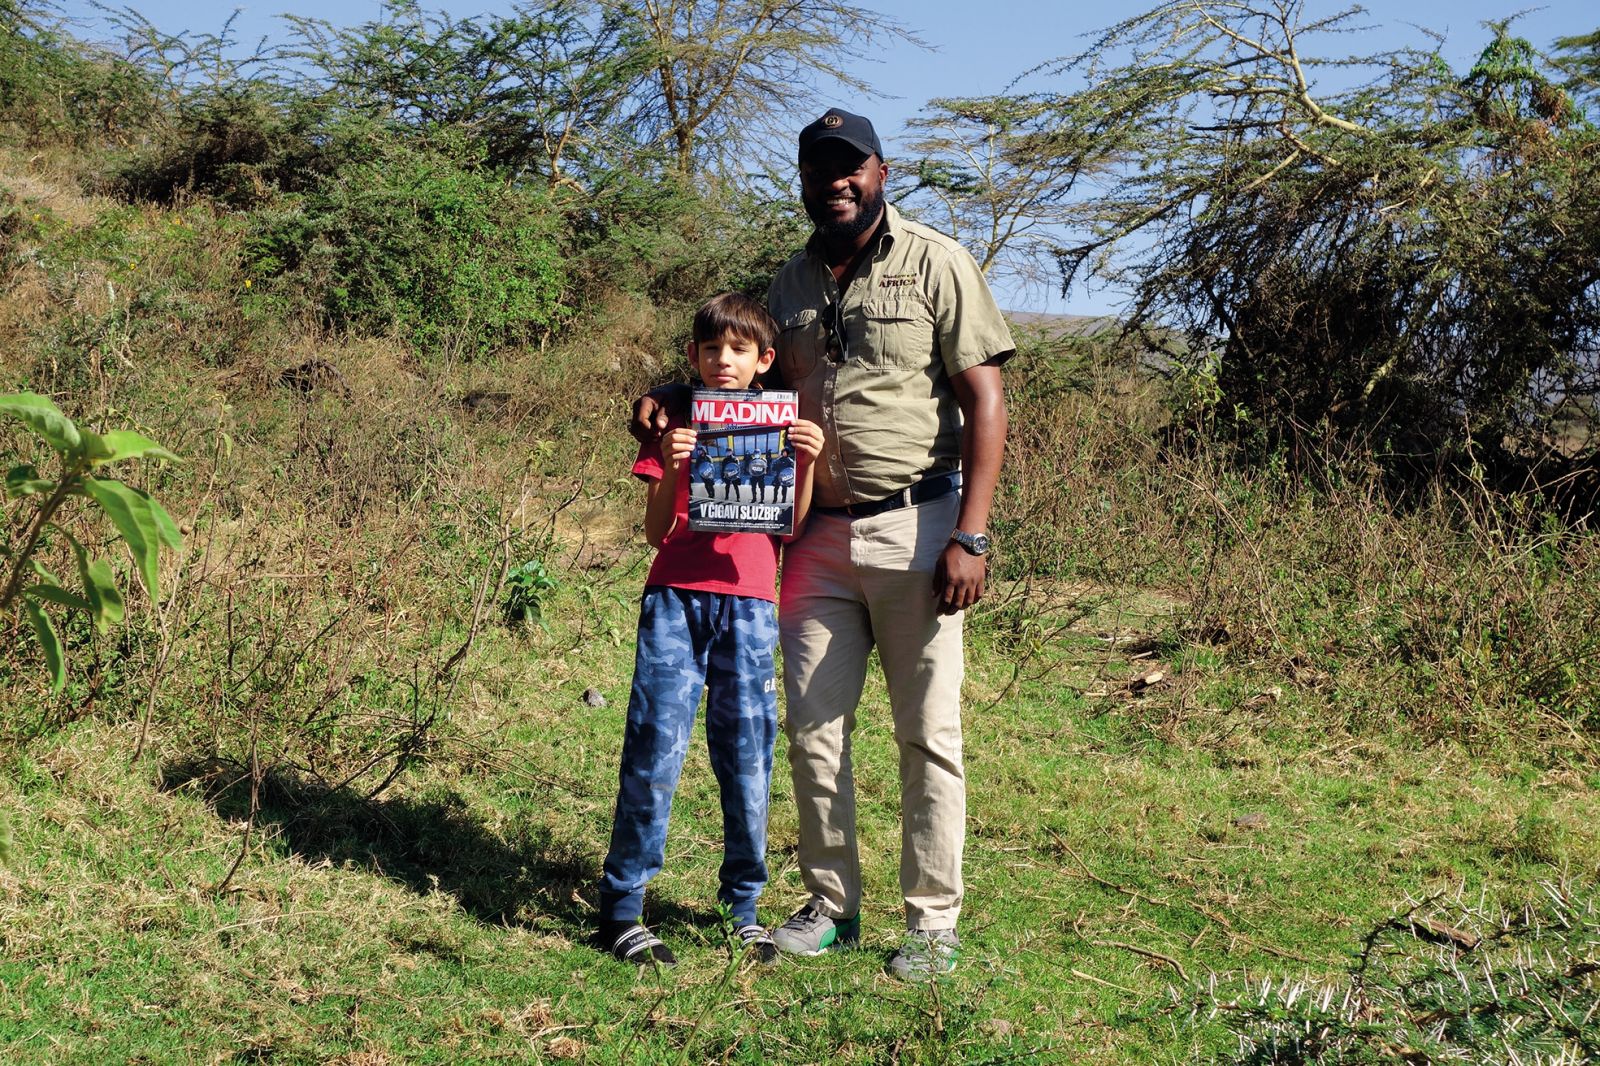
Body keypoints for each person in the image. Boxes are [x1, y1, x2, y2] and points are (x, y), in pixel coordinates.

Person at [631, 108, 1012, 981]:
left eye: (851, 167)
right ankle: (831, 903)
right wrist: (668, 390)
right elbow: (741, 368)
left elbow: (985, 401)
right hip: (811, 535)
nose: (835, 182)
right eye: (818, 168)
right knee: (812, 729)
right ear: (802, 179)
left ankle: (932, 924)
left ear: (881, 172)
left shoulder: (937, 263)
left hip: (921, 526)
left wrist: (973, 534)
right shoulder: (790, 282)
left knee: (928, 733)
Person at [599, 292, 824, 968]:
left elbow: (790, 525)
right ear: (693, 357)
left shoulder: (780, 428)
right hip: (675, 599)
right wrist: (671, 464)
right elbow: (653, 530)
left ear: (764, 360)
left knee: (748, 753)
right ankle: (622, 908)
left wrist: (805, 463)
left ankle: (743, 906)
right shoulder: (675, 425)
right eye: (711, 350)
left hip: (752, 604)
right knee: (654, 745)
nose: (724, 361)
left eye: (738, 350)